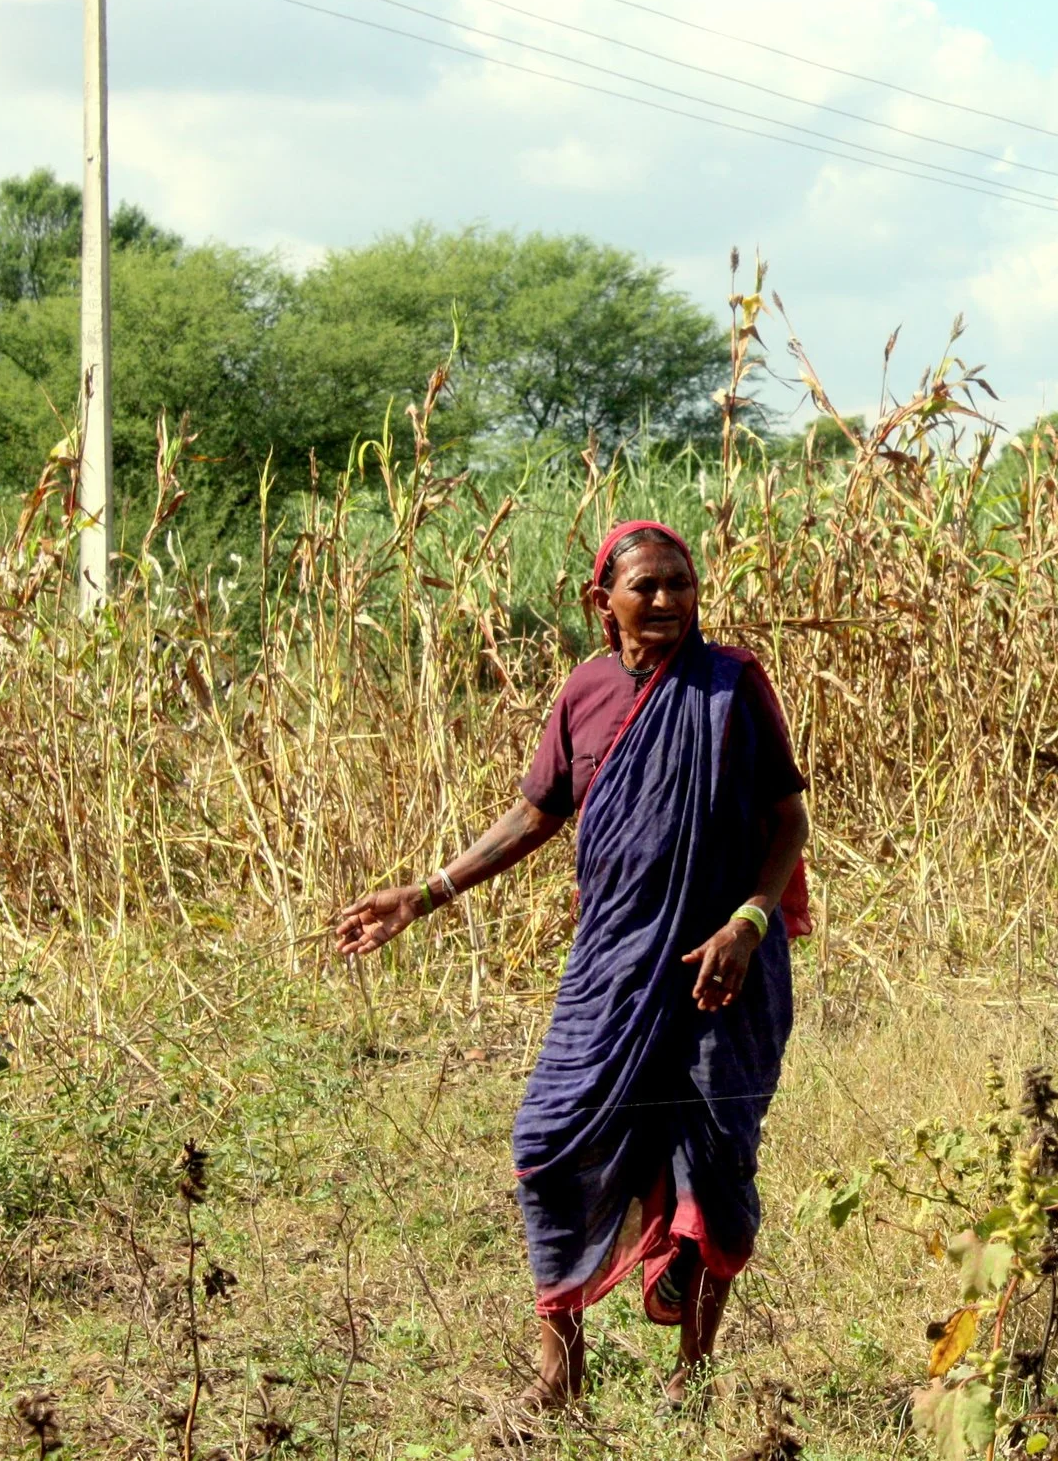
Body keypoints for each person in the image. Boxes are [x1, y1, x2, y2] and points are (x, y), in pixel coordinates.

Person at [336, 520, 811, 1411]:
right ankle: (561, 1375)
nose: (668, 599)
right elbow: (534, 816)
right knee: (548, 1144)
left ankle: (693, 1376)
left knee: (712, 1160)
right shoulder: (586, 692)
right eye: (647, 587)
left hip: (726, 972)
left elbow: (787, 818)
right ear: (603, 604)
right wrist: (425, 892)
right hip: (613, 967)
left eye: (682, 583)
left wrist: (749, 921)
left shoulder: (732, 684)